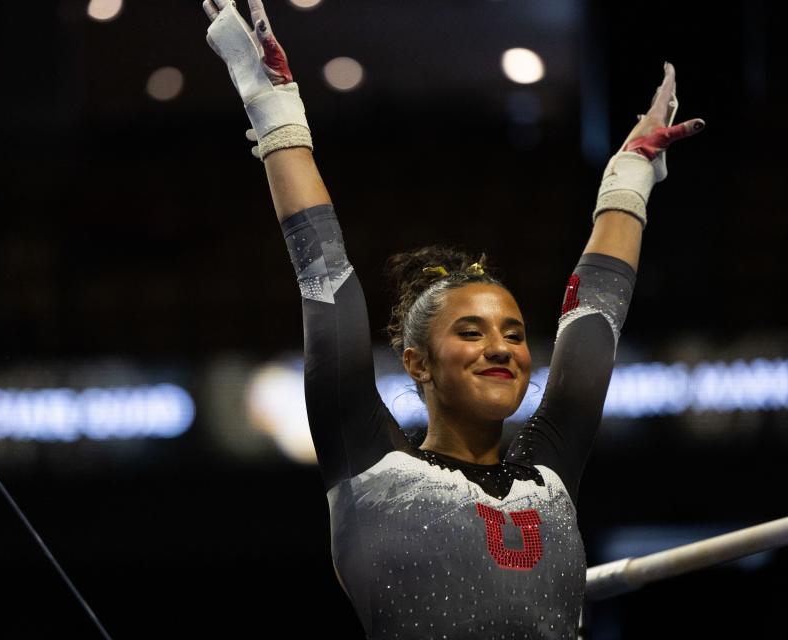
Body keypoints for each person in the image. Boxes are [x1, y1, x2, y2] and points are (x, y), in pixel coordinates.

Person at [202, 1, 706, 638]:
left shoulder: (549, 473)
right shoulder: (368, 463)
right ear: (417, 363)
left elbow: (596, 315)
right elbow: (323, 276)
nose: (501, 348)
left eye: (515, 334)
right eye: (471, 333)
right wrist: (272, 108)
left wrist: (630, 176)